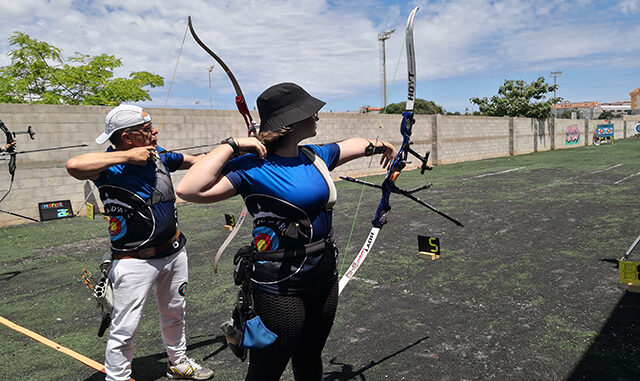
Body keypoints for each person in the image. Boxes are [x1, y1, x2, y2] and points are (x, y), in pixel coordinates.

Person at [176, 82, 396, 381]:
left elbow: (352, 144)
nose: (317, 117)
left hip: (323, 274)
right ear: (290, 123)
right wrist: (232, 144)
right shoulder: (253, 167)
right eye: (310, 113)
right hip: (280, 283)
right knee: (268, 367)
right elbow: (189, 189)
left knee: (309, 356)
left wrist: (380, 145)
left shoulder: (314, 156)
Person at [65, 105, 214, 381]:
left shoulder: (158, 157)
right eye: (147, 130)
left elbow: (196, 161)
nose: (154, 132)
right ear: (128, 138)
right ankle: (118, 377)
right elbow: (73, 165)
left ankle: (178, 362)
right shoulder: (108, 167)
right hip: (134, 260)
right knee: (125, 328)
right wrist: (127, 157)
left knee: (175, 313)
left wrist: (231, 150)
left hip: (173, 251)